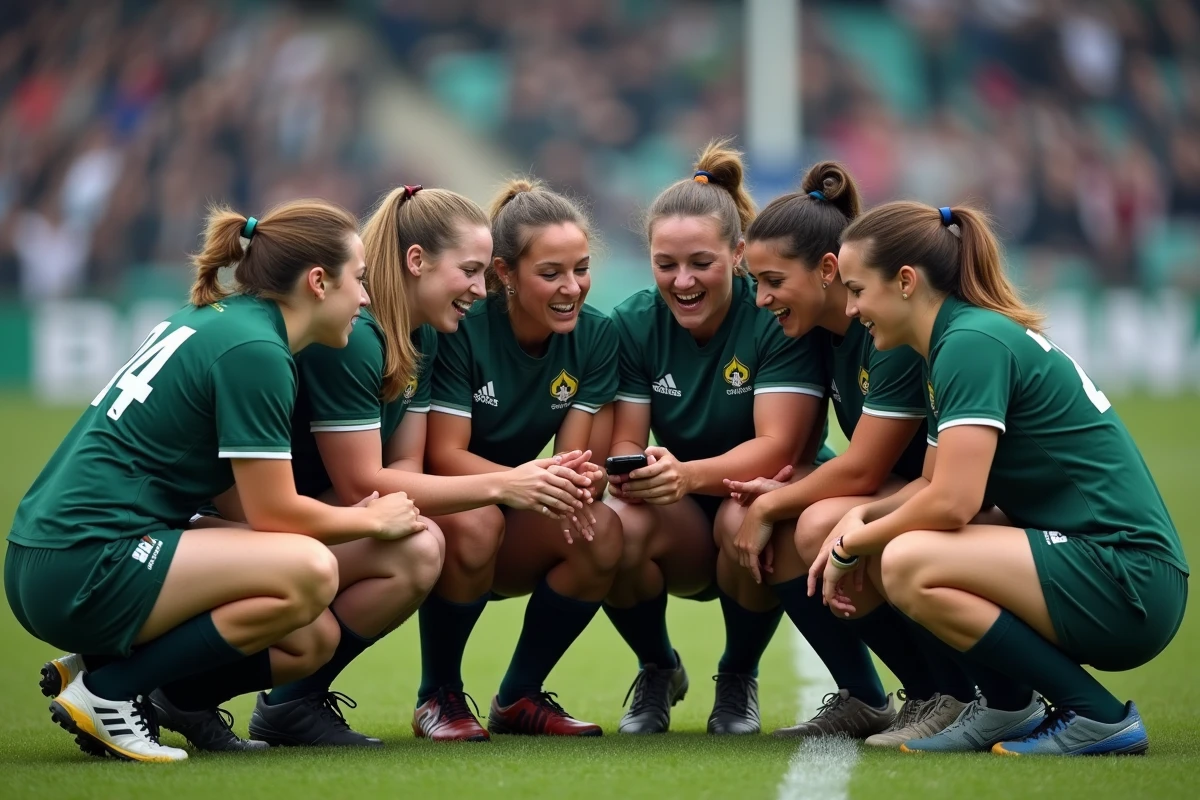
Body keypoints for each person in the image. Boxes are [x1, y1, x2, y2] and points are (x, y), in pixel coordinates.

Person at [7, 200, 423, 762]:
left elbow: (242, 507)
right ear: (319, 282)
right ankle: (109, 693)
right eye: (360, 280)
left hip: (55, 557)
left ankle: (107, 670)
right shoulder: (256, 350)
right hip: (83, 562)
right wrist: (370, 519)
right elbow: (274, 515)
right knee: (310, 570)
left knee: (310, 639)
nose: (368, 299)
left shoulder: (227, 322)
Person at [810, 201, 1187, 755]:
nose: (850, 307)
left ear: (907, 282)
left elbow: (954, 503)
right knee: (900, 548)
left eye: (858, 290)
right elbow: (937, 486)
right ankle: (1007, 707)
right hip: (1105, 564)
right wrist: (863, 514)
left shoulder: (970, 344)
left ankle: (1098, 716)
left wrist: (852, 544)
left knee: (906, 559)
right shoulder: (954, 341)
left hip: (1128, 575)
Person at [723, 162, 979, 744]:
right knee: (791, 518)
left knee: (811, 523)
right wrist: (773, 493)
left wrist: (771, 505)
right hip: (908, 493)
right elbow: (835, 459)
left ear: (828, 270)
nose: (760, 299)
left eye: (771, 281)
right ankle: (878, 697)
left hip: (957, 503)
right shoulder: (820, 331)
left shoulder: (884, 332)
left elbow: (863, 468)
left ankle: (949, 694)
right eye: (754, 284)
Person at [603, 140, 829, 736]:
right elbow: (627, 441)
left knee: (744, 517)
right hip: (679, 505)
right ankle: (658, 668)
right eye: (665, 263)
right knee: (611, 525)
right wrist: (638, 470)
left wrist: (686, 475)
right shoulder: (631, 321)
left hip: (765, 491)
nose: (681, 281)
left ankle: (737, 676)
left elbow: (778, 449)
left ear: (736, 254)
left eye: (700, 262)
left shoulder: (774, 310)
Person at [415, 178, 622, 740]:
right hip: (446, 512)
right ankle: (438, 695)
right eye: (550, 273)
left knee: (600, 531)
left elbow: (575, 460)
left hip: (517, 499)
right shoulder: (463, 327)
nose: (571, 287)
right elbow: (443, 455)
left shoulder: (597, 336)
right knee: (480, 520)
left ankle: (518, 697)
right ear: (503, 274)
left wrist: (581, 481)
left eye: (580, 269)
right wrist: (519, 482)